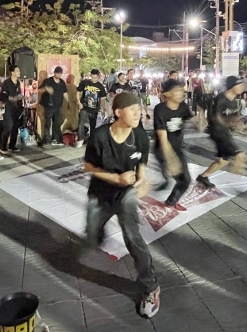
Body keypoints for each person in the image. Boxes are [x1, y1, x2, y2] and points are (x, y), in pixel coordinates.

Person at [83, 91, 160, 318]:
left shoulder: (140, 137)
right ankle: (98, 230)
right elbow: (88, 166)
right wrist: (114, 178)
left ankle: (150, 287)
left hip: (125, 195)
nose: (139, 112)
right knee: (92, 234)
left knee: (133, 238)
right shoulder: (99, 136)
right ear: (118, 113)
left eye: (139, 109)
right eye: (133, 109)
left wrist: (142, 181)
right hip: (100, 194)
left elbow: (141, 164)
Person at [197, 76, 247, 187]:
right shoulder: (221, 98)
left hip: (224, 132)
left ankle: (203, 176)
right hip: (218, 132)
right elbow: (215, 117)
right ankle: (236, 184)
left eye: (241, 85)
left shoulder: (235, 102)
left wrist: (238, 124)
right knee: (240, 156)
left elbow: (231, 118)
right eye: (238, 85)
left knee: (223, 160)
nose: (240, 87)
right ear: (231, 86)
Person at [153, 78, 193, 209]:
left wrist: (202, 120)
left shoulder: (183, 106)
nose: (181, 93)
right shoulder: (160, 110)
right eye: (177, 90)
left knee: (185, 180)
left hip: (177, 147)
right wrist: (171, 160)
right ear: (167, 94)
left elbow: (192, 120)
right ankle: (165, 175)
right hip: (162, 149)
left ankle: (170, 201)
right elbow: (162, 138)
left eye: (182, 90)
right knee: (181, 178)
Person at [76, 69, 107, 147]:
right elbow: (78, 92)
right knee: (81, 123)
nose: (94, 79)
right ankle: (80, 139)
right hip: (84, 107)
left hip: (94, 109)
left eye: (95, 77)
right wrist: (79, 102)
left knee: (92, 125)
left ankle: (91, 140)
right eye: (92, 77)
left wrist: (103, 109)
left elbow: (102, 99)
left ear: (98, 77)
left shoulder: (100, 87)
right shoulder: (85, 83)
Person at [40, 66, 69, 146]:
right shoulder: (48, 81)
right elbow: (40, 90)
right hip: (48, 106)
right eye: (57, 73)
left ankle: (55, 139)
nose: (59, 75)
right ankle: (46, 140)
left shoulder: (62, 82)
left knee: (57, 123)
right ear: (54, 73)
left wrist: (68, 101)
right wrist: (46, 89)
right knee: (47, 123)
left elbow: (65, 93)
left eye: (60, 73)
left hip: (58, 106)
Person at [0, 65, 25, 153]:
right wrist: (12, 98)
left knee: (15, 127)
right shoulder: (6, 83)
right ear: (12, 72)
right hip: (8, 107)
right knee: (8, 126)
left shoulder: (18, 83)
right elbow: (4, 95)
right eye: (17, 71)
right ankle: (2, 146)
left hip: (17, 108)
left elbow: (18, 94)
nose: (19, 72)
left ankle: (12, 145)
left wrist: (24, 97)